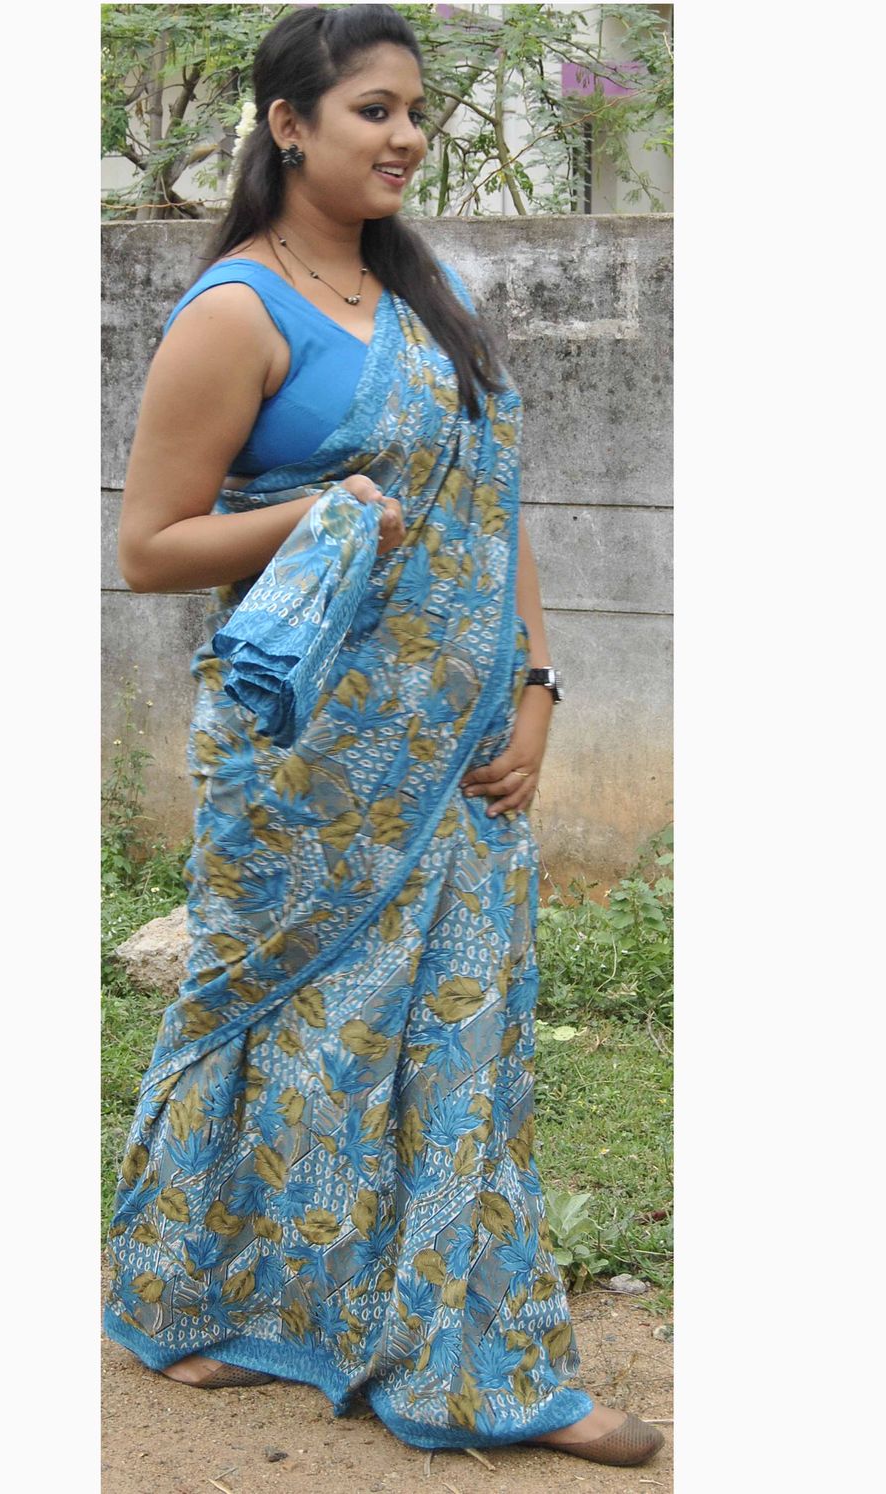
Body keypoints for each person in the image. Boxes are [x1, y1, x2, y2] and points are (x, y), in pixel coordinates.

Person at [105, 4, 664, 1470]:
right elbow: (151, 546)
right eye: (374, 109)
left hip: (465, 752)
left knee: (460, 1043)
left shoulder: (437, 295)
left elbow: (496, 512)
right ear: (289, 125)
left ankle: (478, 1353)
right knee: (270, 1019)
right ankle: (194, 1294)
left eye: (415, 110)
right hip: (303, 761)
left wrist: (540, 688)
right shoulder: (235, 311)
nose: (407, 135)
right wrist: (326, 509)